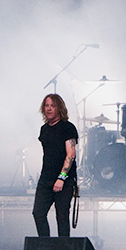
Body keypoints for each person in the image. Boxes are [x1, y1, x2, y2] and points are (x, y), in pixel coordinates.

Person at [33, 93, 78, 237]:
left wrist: (62, 177)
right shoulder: (44, 129)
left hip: (64, 180)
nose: (49, 109)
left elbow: (70, 155)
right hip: (46, 178)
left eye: (53, 106)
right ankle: (46, 246)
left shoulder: (67, 128)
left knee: (62, 216)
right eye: (47, 105)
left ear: (59, 108)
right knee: (38, 213)